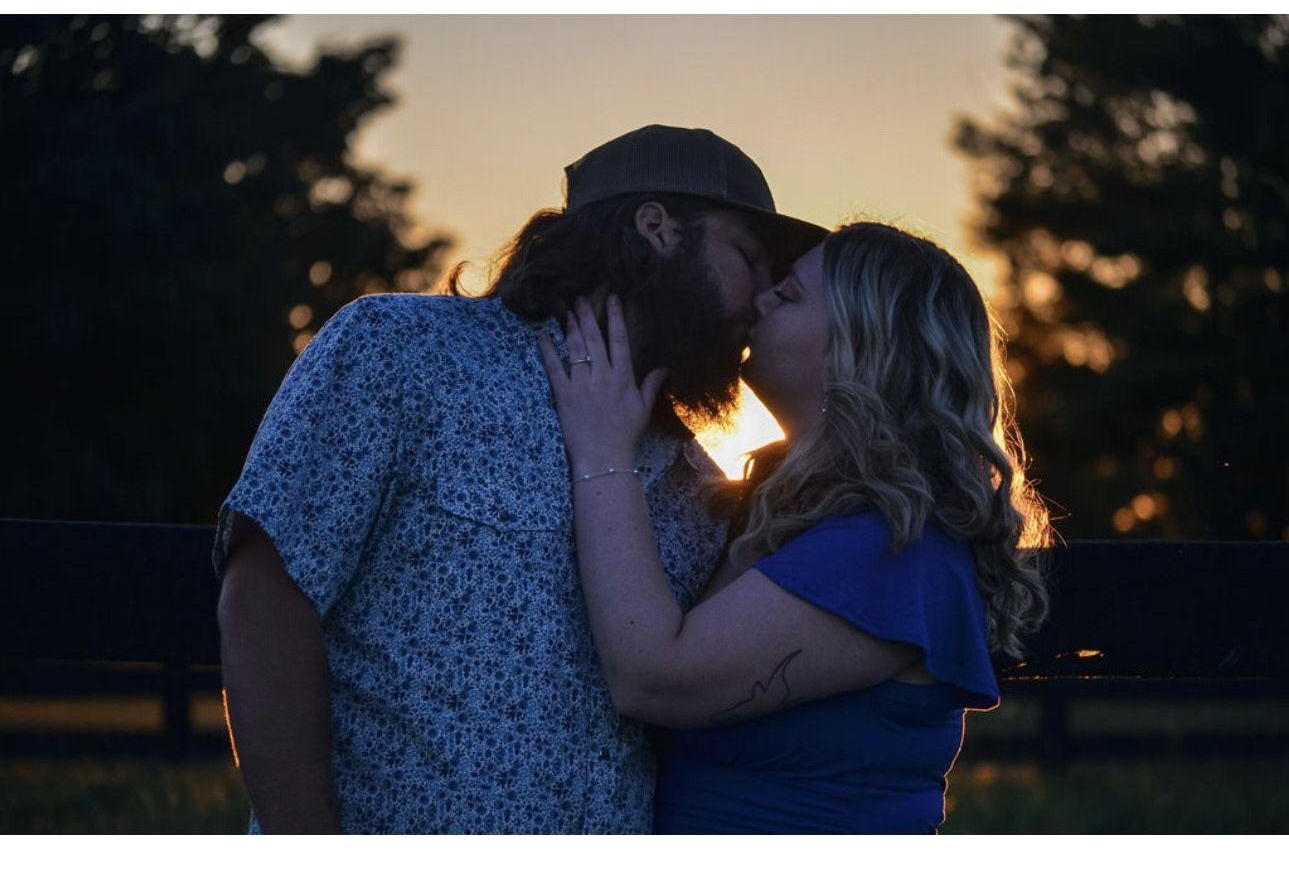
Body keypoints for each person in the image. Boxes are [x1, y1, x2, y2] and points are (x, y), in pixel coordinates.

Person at [213, 124, 826, 833]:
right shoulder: (400, 351)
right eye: (747, 256)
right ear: (656, 227)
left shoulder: (704, 488)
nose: (762, 296)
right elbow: (265, 595)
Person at [539, 221, 1052, 834]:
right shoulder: (792, 510)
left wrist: (602, 451)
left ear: (861, 344)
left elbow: (653, 679)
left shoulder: (893, 547)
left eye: (788, 295)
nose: (759, 299)